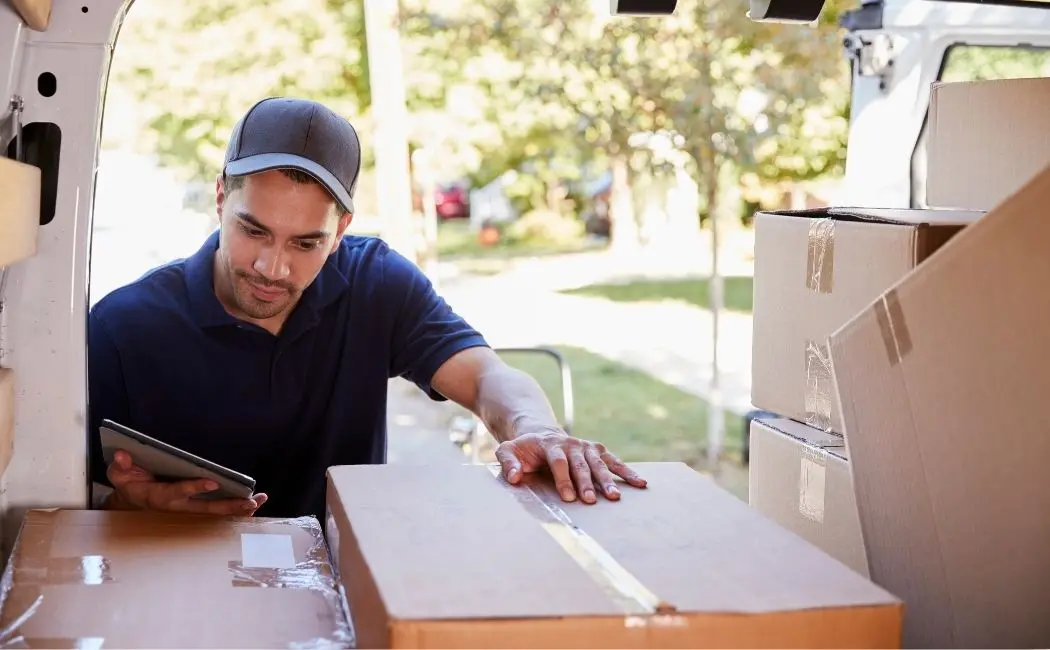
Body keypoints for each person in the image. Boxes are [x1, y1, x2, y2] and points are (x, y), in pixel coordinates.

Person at [88, 96, 646, 523]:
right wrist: (127, 507)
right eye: (253, 230)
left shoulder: (375, 281)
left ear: (340, 233)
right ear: (219, 198)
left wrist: (538, 429)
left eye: (305, 243)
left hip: (345, 578)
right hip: (180, 585)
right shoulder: (121, 327)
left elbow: (485, 376)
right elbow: (65, 506)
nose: (272, 268)